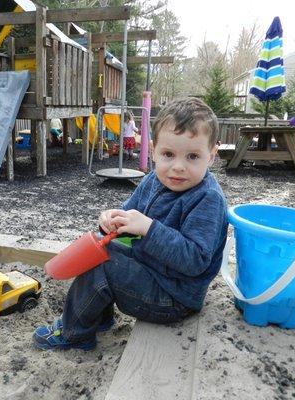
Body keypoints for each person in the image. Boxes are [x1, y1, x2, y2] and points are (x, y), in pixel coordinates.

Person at [33, 98, 228, 350]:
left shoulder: (206, 199)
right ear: (154, 150)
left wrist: (149, 228)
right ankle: (99, 317)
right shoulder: (154, 180)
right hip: (152, 272)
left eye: (192, 157)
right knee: (100, 251)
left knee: (107, 265)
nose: (178, 167)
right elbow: (128, 217)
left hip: (174, 297)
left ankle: (75, 334)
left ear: (211, 156)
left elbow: (195, 260)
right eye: (168, 155)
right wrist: (111, 221)